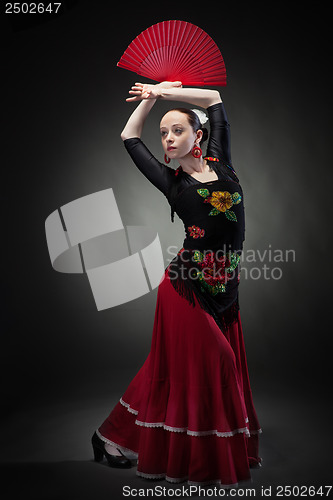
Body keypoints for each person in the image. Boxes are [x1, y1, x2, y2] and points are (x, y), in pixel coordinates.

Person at [92, 81, 262, 487]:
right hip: (185, 288)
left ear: (198, 135)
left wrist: (166, 91)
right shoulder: (172, 183)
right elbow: (129, 136)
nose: (168, 138)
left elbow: (216, 100)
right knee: (217, 361)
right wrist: (149, 102)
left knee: (165, 368)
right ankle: (206, 458)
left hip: (226, 289)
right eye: (164, 133)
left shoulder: (222, 163)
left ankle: (108, 436)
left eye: (177, 130)